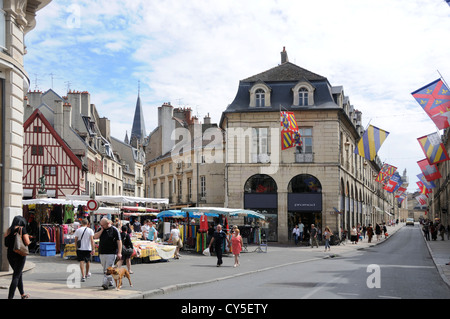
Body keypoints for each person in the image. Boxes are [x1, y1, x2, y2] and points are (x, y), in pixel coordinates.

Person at [3, 216, 31, 299]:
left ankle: (22, 294)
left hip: (10, 255)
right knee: (16, 276)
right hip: (20, 255)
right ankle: (10, 297)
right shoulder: (22, 229)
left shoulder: (8, 230)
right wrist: (28, 238)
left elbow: (6, 244)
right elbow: (27, 242)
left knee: (18, 274)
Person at [94, 218, 122, 290]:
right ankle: (110, 281)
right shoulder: (101, 229)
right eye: (101, 225)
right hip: (102, 252)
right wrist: (102, 230)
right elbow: (95, 236)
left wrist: (119, 252)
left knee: (108, 267)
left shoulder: (114, 230)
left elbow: (119, 241)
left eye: (103, 225)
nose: (101, 226)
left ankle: (105, 283)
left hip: (111, 252)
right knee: (104, 267)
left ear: (107, 223)